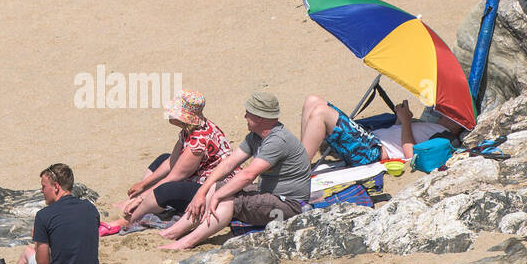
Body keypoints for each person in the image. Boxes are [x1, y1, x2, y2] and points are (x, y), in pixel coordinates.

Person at [160, 89, 311, 250]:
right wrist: (202, 191)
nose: (244, 116)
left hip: (290, 205)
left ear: (259, 117)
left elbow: (248, 175)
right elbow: (228, 163)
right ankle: (173, 232)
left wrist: (218, 196)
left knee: (229, 200)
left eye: (248, 113)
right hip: (269, 194)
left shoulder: (277, 141)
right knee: (216, 186)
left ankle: (187, 242)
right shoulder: (255, 136)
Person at [104, 90, 231, 233]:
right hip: (198, 175)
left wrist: (141, 197)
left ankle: (130, 219)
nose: (169, 114)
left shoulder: (198, 141)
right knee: (163, 158)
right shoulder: (190, 128)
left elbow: (175, 176)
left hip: (211, 188)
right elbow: (172, 161)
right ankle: (136, 202)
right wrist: (143, 185)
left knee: (166, 189)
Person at [300, 95, 465, 166]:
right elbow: (398, 135)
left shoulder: (445, 137)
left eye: (453, 114)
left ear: (459, 123)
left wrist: (406, 121)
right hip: (368, 139)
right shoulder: (432, 126)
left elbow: (412, 155)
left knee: (321, 112)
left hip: (373, 151)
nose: (444, 114)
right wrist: (401, 117)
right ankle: (301, 157)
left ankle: (298, 168)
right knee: (312, 100)